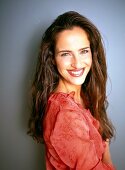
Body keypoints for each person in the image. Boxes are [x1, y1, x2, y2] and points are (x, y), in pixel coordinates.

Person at [28, 11, 115, 169]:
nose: (77, 63)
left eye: (83, 51)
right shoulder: (65, 114)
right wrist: (106, 149)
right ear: (52, 59)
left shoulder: (83, 95)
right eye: (66, 54)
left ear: (92, 53)